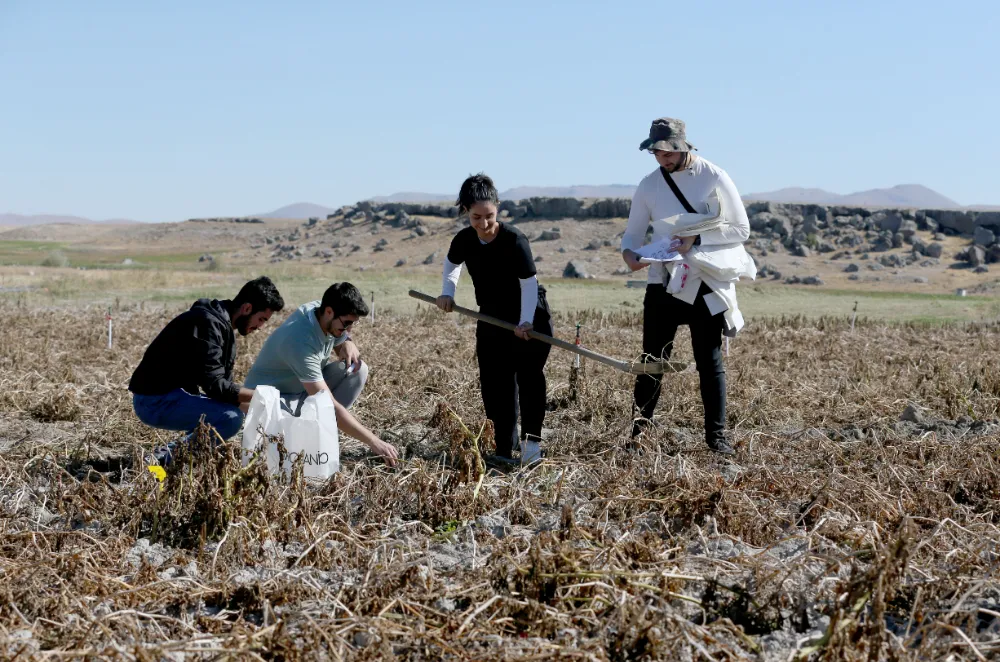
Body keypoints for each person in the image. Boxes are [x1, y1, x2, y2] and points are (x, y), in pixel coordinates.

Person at [621, 117, 752, 455]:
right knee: (651, 360)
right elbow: (634, 234)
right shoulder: (648, 185)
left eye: (666, 152)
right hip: (662, 281)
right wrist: (629, 253)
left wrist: (697, 236)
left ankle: (717, 439)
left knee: (709, 362)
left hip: (705, 282)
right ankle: (640, 435)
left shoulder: (715, 176)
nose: (661, 159)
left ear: (682, 146)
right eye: (655, 153)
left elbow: (740, 230)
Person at [435, 173, 552, 466]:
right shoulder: (463, 240)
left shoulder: (515, 240)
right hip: (490, 317)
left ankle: (530, 449)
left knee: (529, 381)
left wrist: (525, 322)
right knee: (495, 384)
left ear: (498, 208)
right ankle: (503, 447)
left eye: (489, 216)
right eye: (476, 217)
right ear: (465, 211)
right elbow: (452, 264)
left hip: (529, 314)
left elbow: (528, 283)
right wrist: (447, 293)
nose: (483, 224)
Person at [129, 276, 285, 462]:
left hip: (172, 396)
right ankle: (163, 460)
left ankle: (174, 453)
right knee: (230, 419)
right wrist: (263, 395)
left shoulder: (221, 326)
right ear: (247, 308)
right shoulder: (208, 324)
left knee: (231, 413)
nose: (260, 327)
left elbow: (224, 393)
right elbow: (215, 386)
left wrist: (264, 413)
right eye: (261, 319)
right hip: (154, 401)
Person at [244, 282, 398, 466]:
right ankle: (305, 436)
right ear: (329, 312)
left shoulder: (321, 310)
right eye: (347, 323)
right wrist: (373, 441)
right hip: (270, 402)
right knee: (307, 425)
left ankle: (316, 430)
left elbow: (339, 337)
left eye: (352, 324)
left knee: (358, 369)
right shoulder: (300, 342)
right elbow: (329, 405)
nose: (349, 329)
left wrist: (347, 341)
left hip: (300, 389)